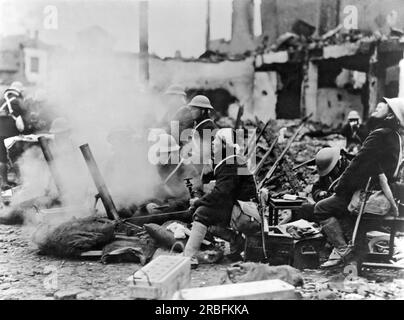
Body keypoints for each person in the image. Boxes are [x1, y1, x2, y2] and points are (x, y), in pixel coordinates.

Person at [314, 98, 404, 268]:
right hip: (383, 193)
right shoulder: (395, 136)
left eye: (385, 106)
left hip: (371, 194)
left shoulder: (380, 134)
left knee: (321, 208)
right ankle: (351, 245)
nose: (379, 106)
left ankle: (342, 248)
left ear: (391, 115)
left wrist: (340, 189)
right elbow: (374, 165)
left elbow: (358, 163)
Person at [184, 128, 257, 267]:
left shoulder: (230, 163)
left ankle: (189, 257)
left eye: (216, 141)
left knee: (202, 213)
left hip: (245, 214)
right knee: (208, 215)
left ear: (224, 144)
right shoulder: (232, 160)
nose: (213, 144)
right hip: (246, 210)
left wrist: (197, 202)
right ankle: (236, 241)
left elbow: (221, 194)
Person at [293, 147, 350, 222]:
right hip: (327, 206)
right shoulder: (327, 170)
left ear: (338, 163)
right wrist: (320, 193)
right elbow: (316, 187)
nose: (330, 174)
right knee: (302, 209)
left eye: (331, 171)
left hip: (343, 208)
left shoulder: (350, 170)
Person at [0, 82, 26, 187]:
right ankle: (20, 182)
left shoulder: (1, 101)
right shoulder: (18, 101)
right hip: (12, 134)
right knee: (16, 157)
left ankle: (4, 182)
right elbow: (23, 121)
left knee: (2, 159)